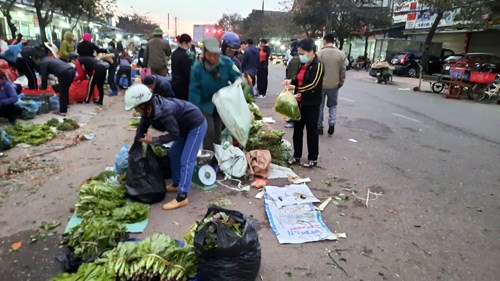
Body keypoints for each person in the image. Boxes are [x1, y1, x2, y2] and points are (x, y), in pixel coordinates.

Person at [125, 84, 207, 210]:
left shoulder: (164, 111)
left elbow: (174, 134)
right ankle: (176, 184)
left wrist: (154, 140)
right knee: (174, 152)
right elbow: (143, 123)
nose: (136, 110)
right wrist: (138, 137)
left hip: (195, 126)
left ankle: (182, 197)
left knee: (187, 159)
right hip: (183, 127)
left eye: (136, 107)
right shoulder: (150, 108)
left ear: (144, 104)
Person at [189, 37, 241, 152]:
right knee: (209, 130)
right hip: (204, 104)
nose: (213, 58)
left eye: (215, 54)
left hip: (221, 103)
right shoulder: (197, 68)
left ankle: (217, 156)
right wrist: (194, 112)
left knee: (217, 130)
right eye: (210, 55)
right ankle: (208, 157)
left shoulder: (226, 62)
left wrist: (239, 83)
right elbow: (194, 92)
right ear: (204, 53)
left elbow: (237, 76)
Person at [283, 38, 324, 168]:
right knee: (297, 130)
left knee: (311, 131)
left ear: (311, 51)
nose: (300, 57)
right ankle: (297, 156)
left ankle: (313, 158)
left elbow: (313, 84)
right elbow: (298, 79)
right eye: (299, 54)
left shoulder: (318, 65)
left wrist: (296, 88)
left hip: (311, 104)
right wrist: (291, 82)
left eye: (302, 54)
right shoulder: (303, 65)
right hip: (299, 102)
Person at [317, 34, 346, 136]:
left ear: (324, 41)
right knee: (333, 105)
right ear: (333, 41)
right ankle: (332, 123)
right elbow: (343, 71)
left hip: (320, 85)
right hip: (334, 85)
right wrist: (340, 82)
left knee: (319, 106)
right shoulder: (341, 54)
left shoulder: (319, 53)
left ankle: (319, 127)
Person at [32, 52, 75, 116]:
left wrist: (43, 88)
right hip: (71, 71)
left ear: (38, 59)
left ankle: (63, 111)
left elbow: (44, 77)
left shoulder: (43, 62)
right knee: (64, 89)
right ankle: (65, 105)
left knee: (62, 91)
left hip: (64, 73)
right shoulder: (49, 59)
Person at [284, 39, 300, 129]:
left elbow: (293, 74)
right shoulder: (296, 58)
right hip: (293, 83)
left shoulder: (296, 59)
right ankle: (292, 119)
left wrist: (291, 83)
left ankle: (294, 121)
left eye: (291, 46)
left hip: (293, 84)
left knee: (294, 102)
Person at [171, 33, 192, 100]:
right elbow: (187, 72)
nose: (190, 45)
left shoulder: (174, 53)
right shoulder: (184, 56)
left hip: (174, 83)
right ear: (184, 43)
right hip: (182, 86)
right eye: (189, 43)